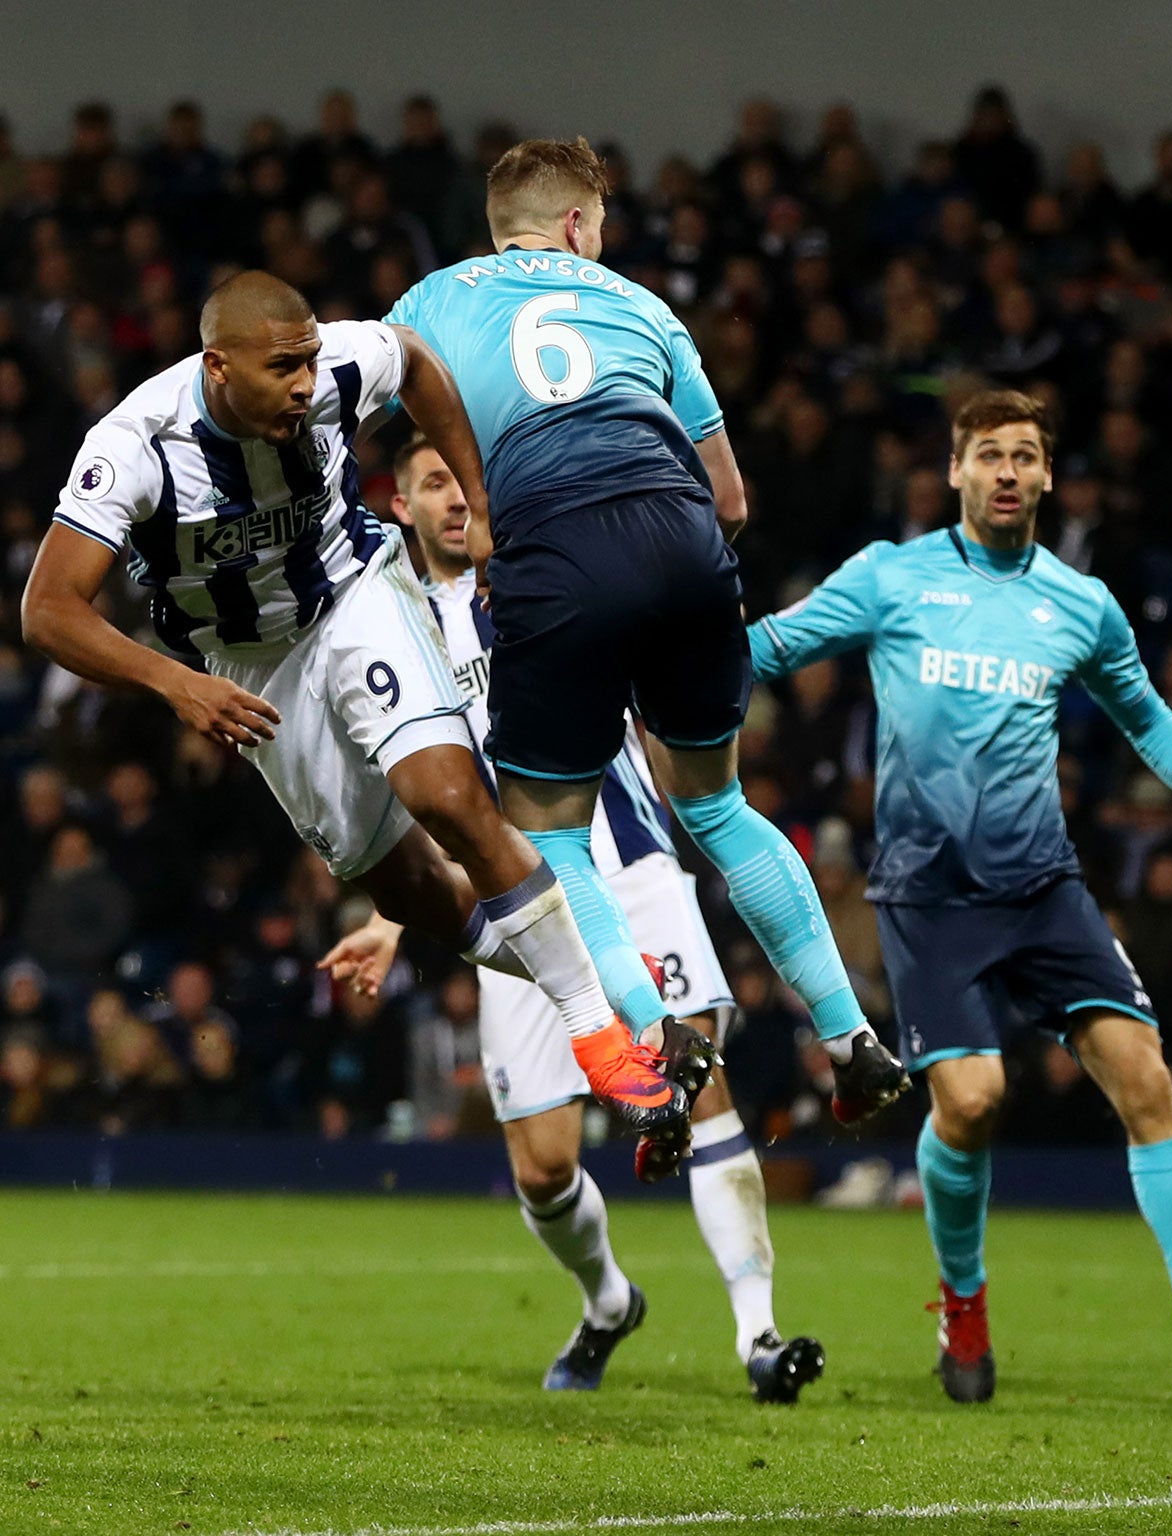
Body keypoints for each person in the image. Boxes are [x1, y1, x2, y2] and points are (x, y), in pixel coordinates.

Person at [19, 271, 698, 1142]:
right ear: (217, 367)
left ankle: (601, 1037)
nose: (305, 383)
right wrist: (174, 682)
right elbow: (48, 610)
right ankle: (592, 978)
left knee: (448, 799)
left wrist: (480, 497)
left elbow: (412, 357)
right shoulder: (138, 446)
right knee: (411, 890)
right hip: (247, 668)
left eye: (308, 360)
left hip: (353, 594)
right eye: (281, 369)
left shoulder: (339, 363)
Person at [747, 389, 1172, 1416]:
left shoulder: (1080, 604)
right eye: (985, 453)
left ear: (1044, 477)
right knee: (976, 1101)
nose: (1004, 471)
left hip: (1043, 891)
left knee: (1146, 1083)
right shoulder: (890, 578)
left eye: (1022, 455)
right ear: (952, 472)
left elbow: (1145, 714)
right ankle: (963, 1305)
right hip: (929, 898)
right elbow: (768, 650)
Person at [381, 137, 905, 1124]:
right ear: (579, 224)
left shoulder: (432, 302)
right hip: (683, 542)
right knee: (715, 806)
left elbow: (367, 395)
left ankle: (655, 1032)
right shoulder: (642, 306)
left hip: (558, 556)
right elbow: (731, 500)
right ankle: (851, 1038)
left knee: (550, 835)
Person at [323, 436, 824, 1400]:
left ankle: (758, 1337)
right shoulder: (396, 633)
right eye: (436, 486)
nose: (458, 501)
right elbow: (417, 797)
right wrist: (392, 920)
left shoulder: (552, 574)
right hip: (513, 904)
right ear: (404, 507)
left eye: (465, 482)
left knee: (697, 1081)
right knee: (545, 1169)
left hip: (629, 871)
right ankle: (607, 1301)